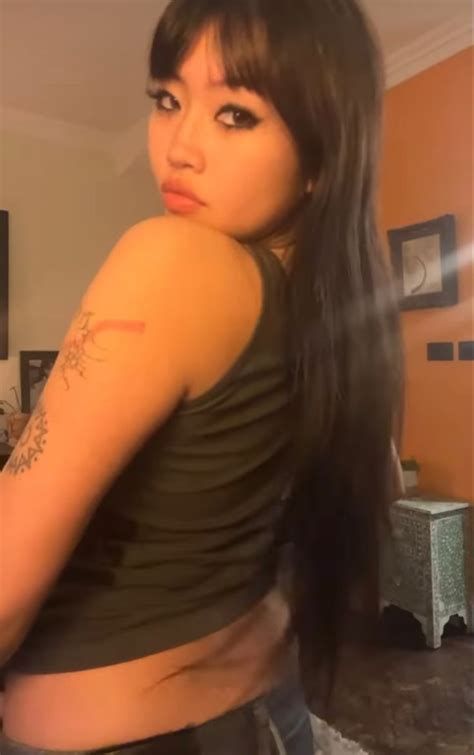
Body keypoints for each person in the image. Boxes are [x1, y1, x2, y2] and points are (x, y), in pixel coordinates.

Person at [0, 0, 403, 752]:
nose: (177, 147)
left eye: (235, 115)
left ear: (320, 157)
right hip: (265, 712)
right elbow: (380, 485)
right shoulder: (337, 323)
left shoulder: (175, 260)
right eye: (167, 100)